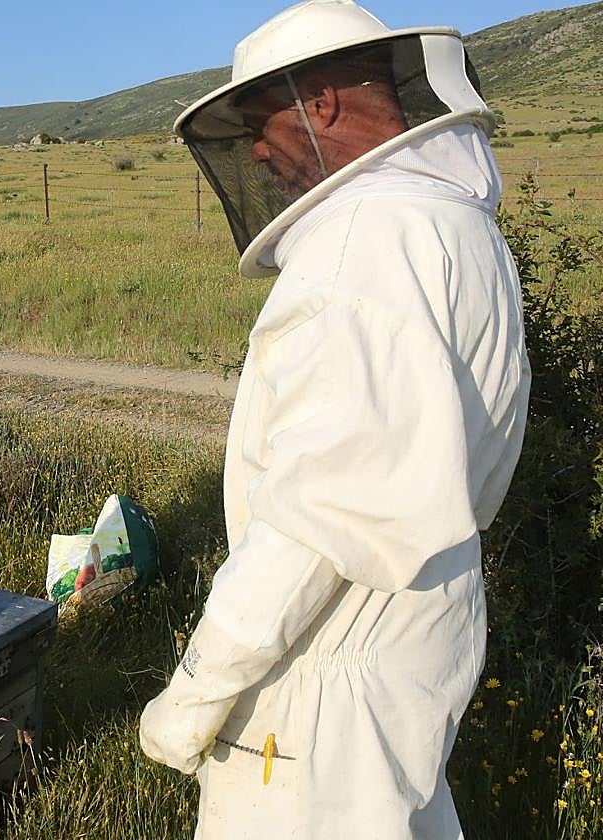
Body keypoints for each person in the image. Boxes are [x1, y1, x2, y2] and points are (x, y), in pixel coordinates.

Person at [138, 2, 530, 838]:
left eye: (260, 119)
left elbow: (317, 520)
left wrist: (198, 686)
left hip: (320, 676)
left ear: (319, 102)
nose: (254, 150)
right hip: (416, 647)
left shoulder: (366, 245)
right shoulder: (455, 230)